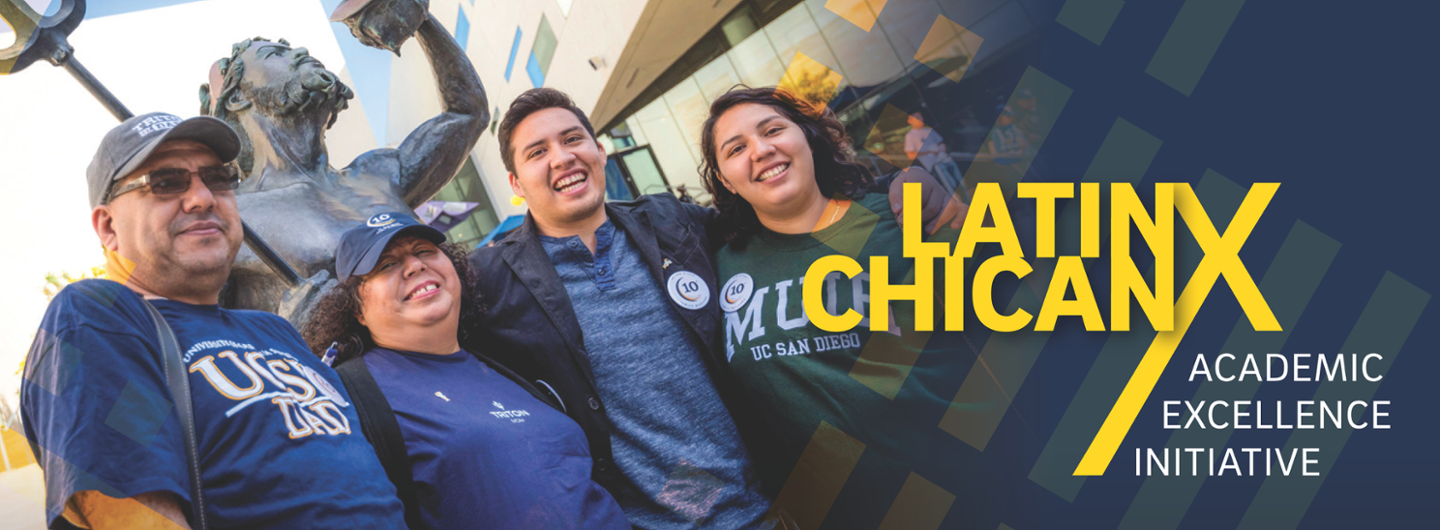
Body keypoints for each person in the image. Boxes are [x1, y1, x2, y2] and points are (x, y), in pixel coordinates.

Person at [467, 88, 960, 529]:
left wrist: (896, 185)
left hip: (782, 505)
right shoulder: (492, 282)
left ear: (599, 151)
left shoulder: (674, 224)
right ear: (515, 182)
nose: (562, 157)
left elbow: (776, 208)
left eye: (573, 139)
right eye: (538, 152)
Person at [20, 113, 405, 529]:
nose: (203, 197)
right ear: (108, 226)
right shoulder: (97, 316)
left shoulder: (274, 330)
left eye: (218, 178)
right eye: (167, 182)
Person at [698, 87, 973, 529]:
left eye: (772, 130)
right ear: (726, 180)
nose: (761, 149)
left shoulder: (905, 219)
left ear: (807, 138)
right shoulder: (719, 271)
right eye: (736, 149)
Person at [301, 213, 630, 530]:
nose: (415, 265)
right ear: (356, 308)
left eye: (425, 251)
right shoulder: (346, 395)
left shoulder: (505, 363)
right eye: (387, 264)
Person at [197, 0, 489, 323]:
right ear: (238, 97)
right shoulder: (227, 217)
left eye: (291, 48)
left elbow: (468, 114)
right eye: (274, 54)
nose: (300, 52)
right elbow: (199, 341)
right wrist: (291, 336)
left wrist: (417, 18)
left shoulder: (377, 173)